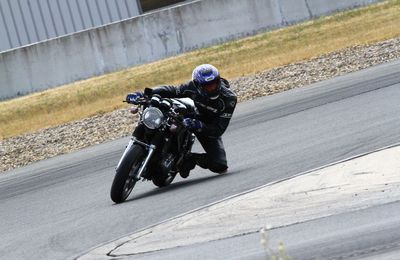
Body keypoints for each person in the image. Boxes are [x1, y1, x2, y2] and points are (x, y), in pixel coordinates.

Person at [126, 64, 237, 178]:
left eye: (214, 83)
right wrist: (145, 94)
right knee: (161, 110)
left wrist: (200, 126)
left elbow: (219, 129)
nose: (212, 88)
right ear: (198, 85)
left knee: (220, 165)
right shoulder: (191, 87)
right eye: (207, 86)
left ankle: (188, 159)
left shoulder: (229, 99)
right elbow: (172, 90)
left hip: (208, 125)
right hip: (190, 114)